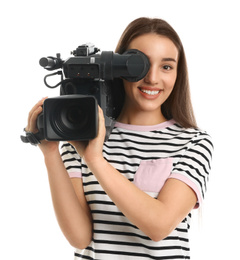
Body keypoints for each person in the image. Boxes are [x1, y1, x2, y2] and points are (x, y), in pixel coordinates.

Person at [25, 17, 213, 259]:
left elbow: (159, 225)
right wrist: (50, 153)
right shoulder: (80, 138)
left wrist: (95, 160)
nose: (153, 78)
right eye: (141, 65)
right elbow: (79, 237)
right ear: (119, 69)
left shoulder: (194, 142)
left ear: (178, 74)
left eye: (166, 66)